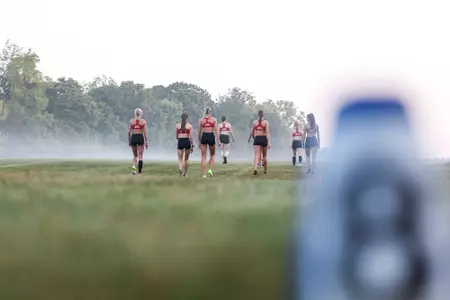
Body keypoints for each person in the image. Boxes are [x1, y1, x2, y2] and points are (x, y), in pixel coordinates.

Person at [198, 107, 220, 177]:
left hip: (204, 136)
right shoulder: (214, 120)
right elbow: (216, 131)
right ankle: (210, 170)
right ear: (210, 112)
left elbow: (199, 132)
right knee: (212, 155)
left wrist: (199, 141)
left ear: (205, 112)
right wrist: (219, 140)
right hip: (211, 136)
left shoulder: (201, 120)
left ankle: (204, 174)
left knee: (203, 156)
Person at [128, 108, 148, 175]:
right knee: (140, 156)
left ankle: (134, 168)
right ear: (141, 114)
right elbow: (145, 132)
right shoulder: (143, 122)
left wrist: (129, 141)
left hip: (133, 136)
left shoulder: (131, 121)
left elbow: (128, 132)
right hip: (140, 136)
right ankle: (139, 172)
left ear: (134, 113)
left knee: (135, 155)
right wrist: (146, 141)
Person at [250, 110, 270, 175]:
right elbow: (267, 133)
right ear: (263, 115)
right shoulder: (266, 122)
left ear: (258, 115)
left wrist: (254, 138)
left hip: (257, 138)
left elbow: (252, 133)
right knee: (265, 156)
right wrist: (269, 142)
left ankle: (255, 169)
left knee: (256, 155)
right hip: (264, 138)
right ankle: (265, 171)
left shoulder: (254, 122)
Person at [176, 112, 194, 177]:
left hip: (180, 141)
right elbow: (191, 137)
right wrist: (192, 145)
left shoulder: (177, 126)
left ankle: (180, 168)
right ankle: (185, 173)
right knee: (186, 159)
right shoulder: (189, 126)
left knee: (180, 158)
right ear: (187, 118)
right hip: (187, 141)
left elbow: (176, 136)